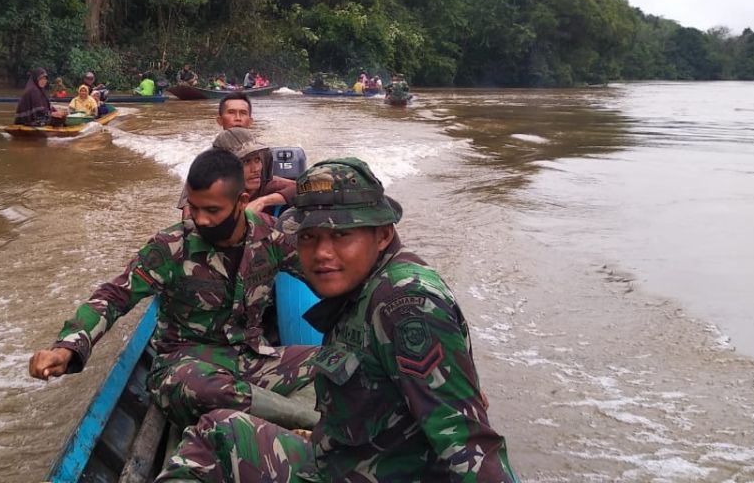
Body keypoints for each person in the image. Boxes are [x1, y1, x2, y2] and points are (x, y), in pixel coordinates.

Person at [155, 158, 519, 483]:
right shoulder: (368, 284)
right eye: (310, 237)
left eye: (342, 235)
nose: (323, 253)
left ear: (382, 234)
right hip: (352, 459)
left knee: (212, 439)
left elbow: (470, 446)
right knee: (221, 429)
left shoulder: (406, 304)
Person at [28, 149, 319, 429]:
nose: (200, 219)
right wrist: (67, 347)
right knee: (203, 389)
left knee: (339, 362)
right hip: (187, 366)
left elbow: (324, 277)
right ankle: (310, 423)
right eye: (194, 207)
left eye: (212, 210)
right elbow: (114, 296)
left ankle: (275, 420)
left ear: (242, 201)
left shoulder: (271, 236)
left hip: (252, 359)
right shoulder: (171, 246)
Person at [211, 128, 296, 216]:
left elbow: (303, 187)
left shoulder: (268, 186)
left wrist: (262, 201)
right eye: (246, 162)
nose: (256, 169)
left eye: (257, 159)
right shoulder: (210, 194)